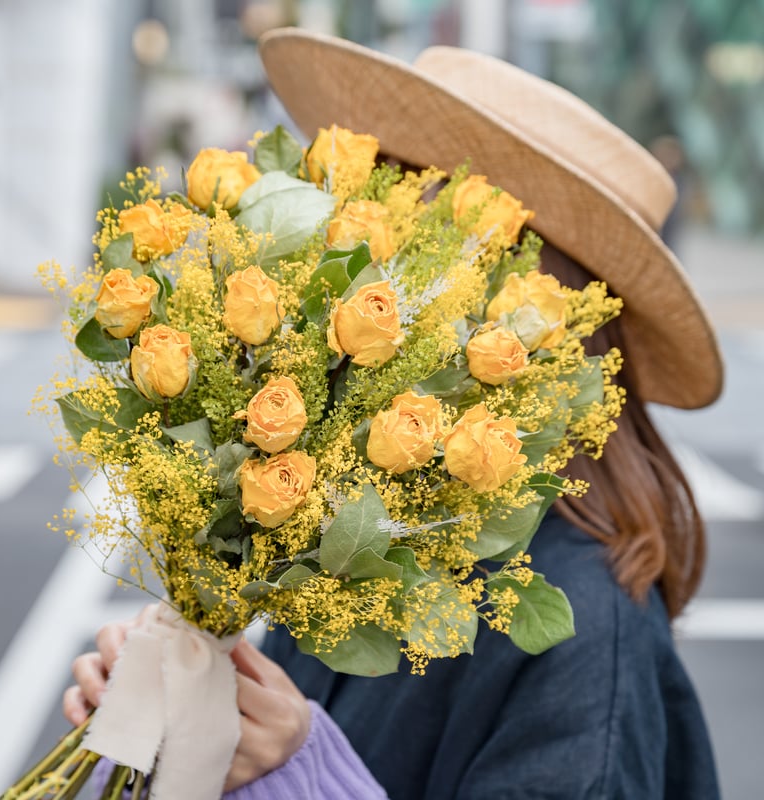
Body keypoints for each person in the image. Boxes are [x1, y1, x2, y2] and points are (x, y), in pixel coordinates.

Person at [65, 29, 724, 799]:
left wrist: (300, 771)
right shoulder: (379, 526)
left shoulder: (589, 629)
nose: (355, 278)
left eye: (417, 242)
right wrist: (175, 717)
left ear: (536, 310)